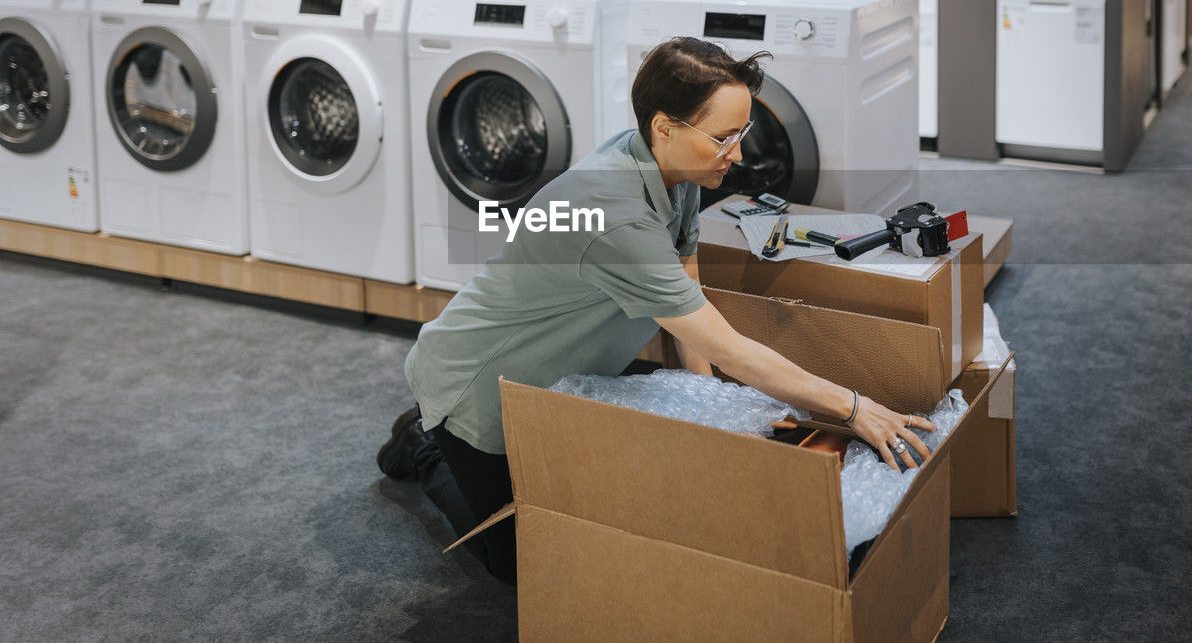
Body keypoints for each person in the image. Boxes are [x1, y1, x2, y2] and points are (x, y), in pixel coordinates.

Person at [377, 37, 936, 583]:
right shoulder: (610, 209)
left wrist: (709, 404)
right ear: (666, 127)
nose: (737, 155)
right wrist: (852, 407)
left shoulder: (680, 167)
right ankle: (423, 445)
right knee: (521, 563)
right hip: (478, 385)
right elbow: (729, 348)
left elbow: (687, 277)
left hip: (567, 369)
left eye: (741, 133)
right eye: (723, 138)